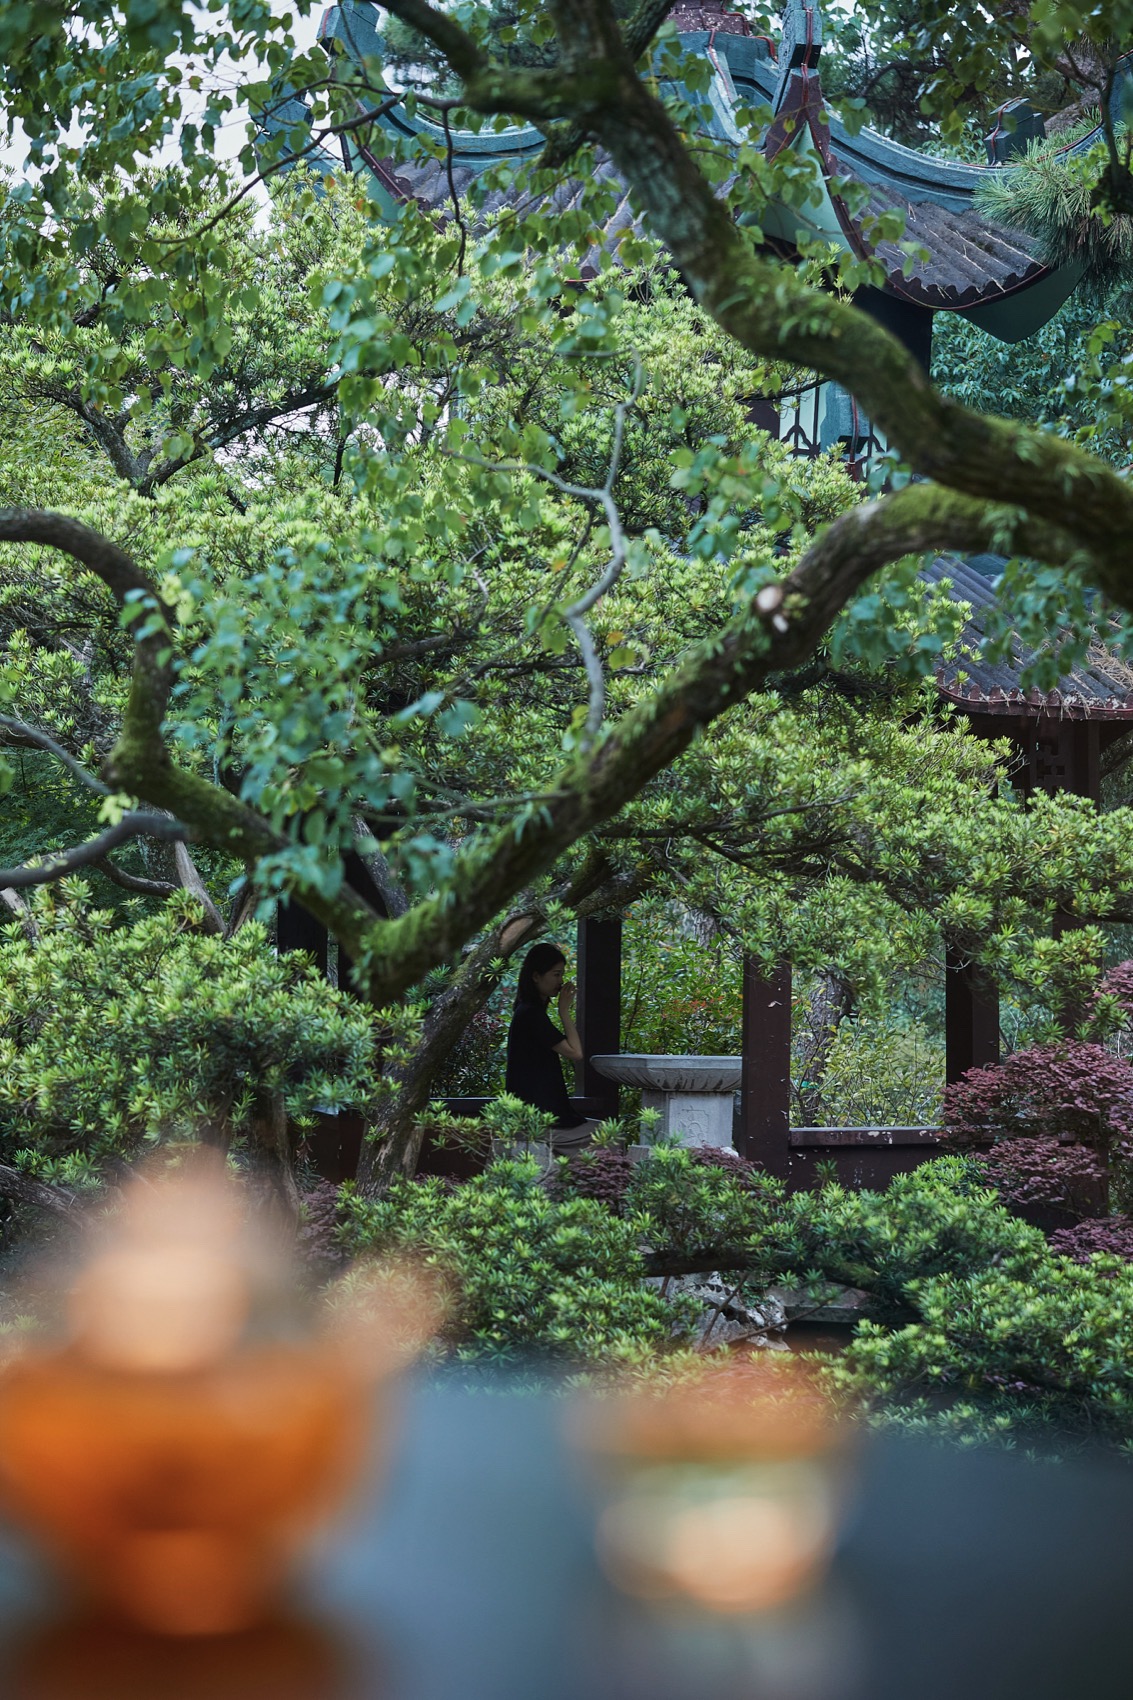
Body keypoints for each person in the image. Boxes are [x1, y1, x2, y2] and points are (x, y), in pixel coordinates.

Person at [505, 944, 598, 1154]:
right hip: (539, 1120)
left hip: (537, 1116)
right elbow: (576, 1053)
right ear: (536, 976)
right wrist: (564, 1011)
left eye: (562, 974)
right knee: (608, 1136)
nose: (561, 981)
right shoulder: (530, 1014)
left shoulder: (528, 1011)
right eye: (556, 974)